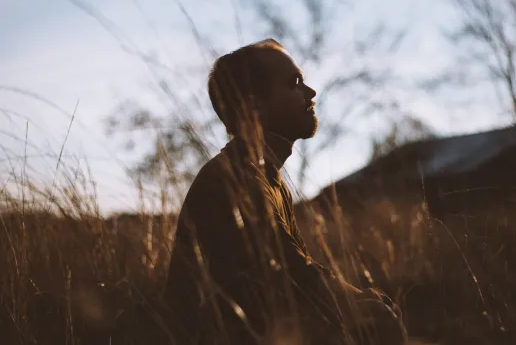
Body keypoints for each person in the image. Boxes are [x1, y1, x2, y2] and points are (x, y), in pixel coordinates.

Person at [163, 39, 407, 344]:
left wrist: (357, 298)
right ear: (254, 108)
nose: (311, 93)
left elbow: (296, 275)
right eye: (296, 83)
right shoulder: (236, 180)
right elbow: (293, 275)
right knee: (377, 322)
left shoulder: (268, 178)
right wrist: (357, 304)